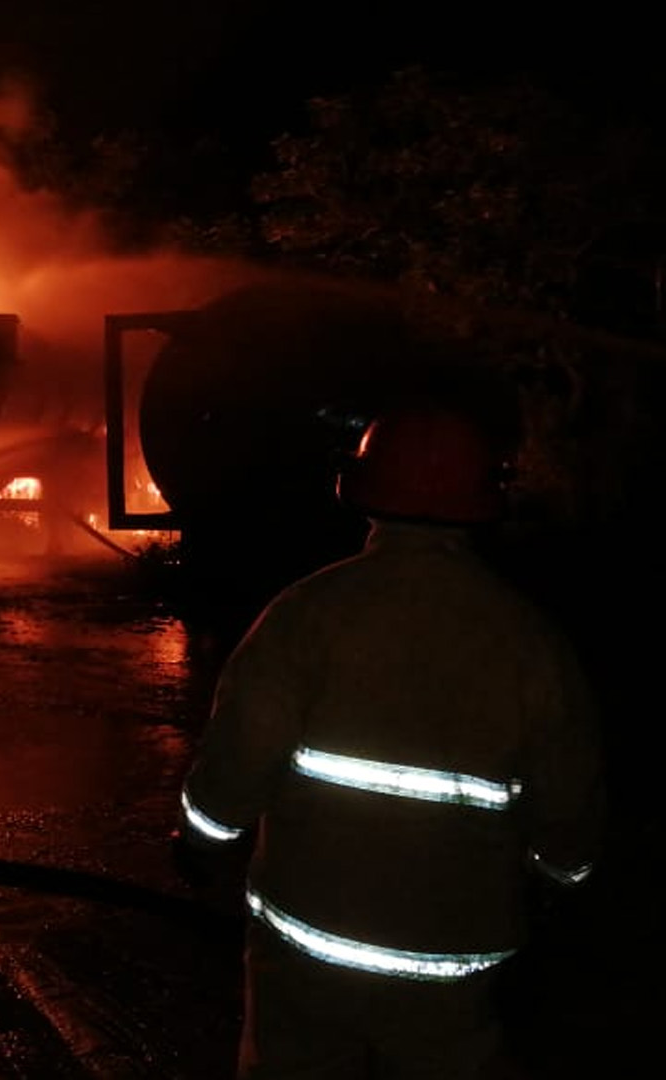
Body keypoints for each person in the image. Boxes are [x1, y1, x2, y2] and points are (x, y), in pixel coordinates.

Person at [174, 402, 605, 1079]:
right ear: (485, 499)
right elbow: (570, 804)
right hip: (455, 957)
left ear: (361, 488)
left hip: (306, 944)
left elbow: (238, 758)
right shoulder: (531, 643)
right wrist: (560, 878)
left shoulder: (305, 615)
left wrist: (200, 842)